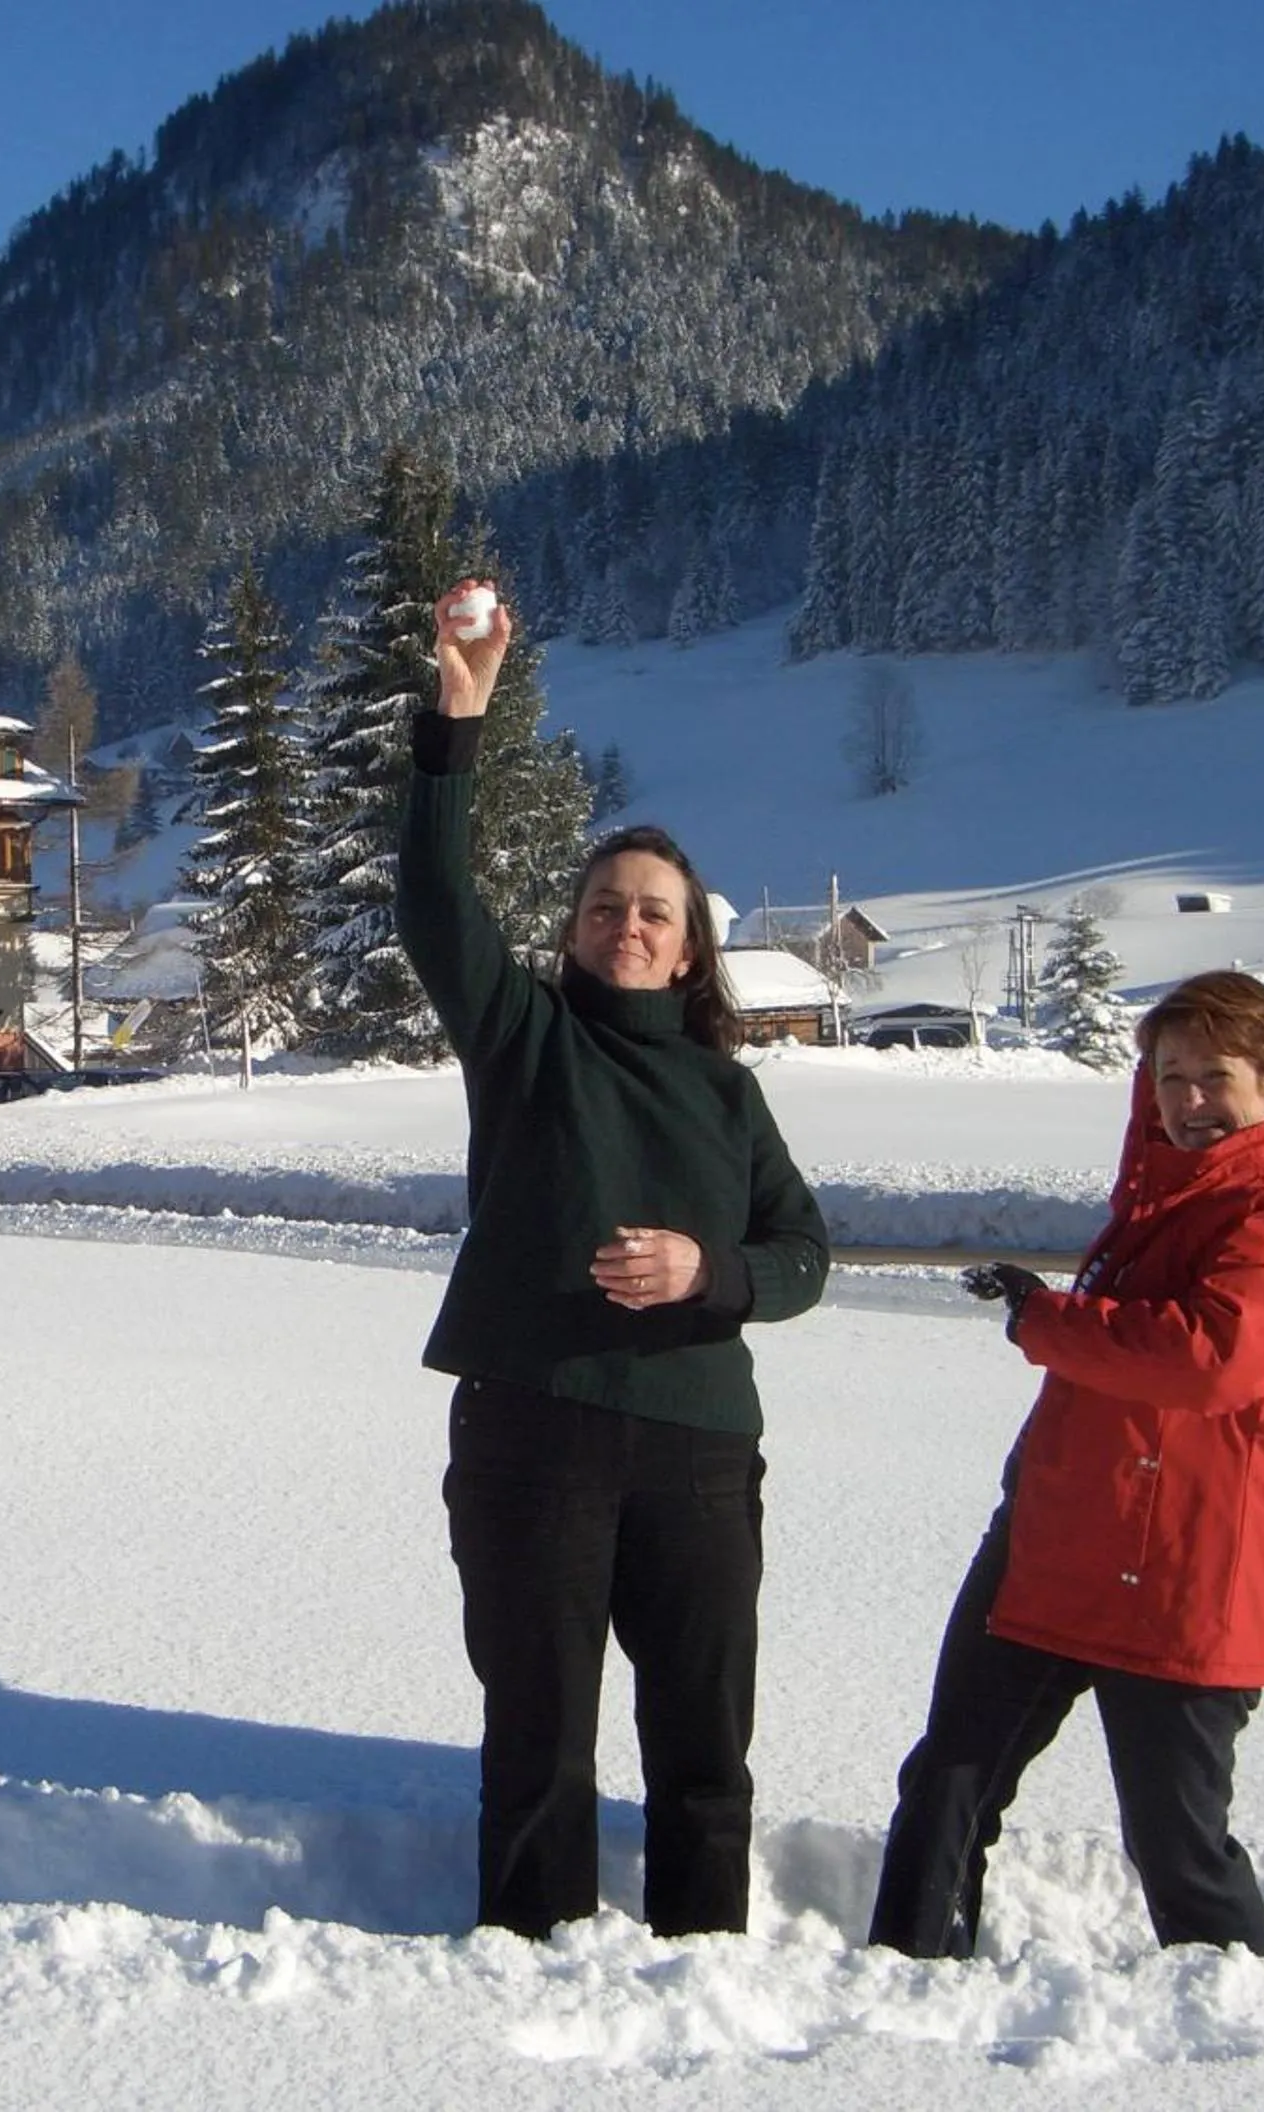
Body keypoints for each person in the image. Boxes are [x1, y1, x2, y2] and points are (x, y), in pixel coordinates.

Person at [397, 579, 831, 1940]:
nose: (626, 922)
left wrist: (715, 1272)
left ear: (694, 944)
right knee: (539, 1738)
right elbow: (432, 906)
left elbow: (806, 1252)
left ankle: (705, 1965)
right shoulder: (525, 1041)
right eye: (602, 903)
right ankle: (530, 1981)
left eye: (655, 909)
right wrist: (455, 727)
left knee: (704, 1746)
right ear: (573, 927)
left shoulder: (725, 1095)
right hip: (535, 1428)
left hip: (699, 1445)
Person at [867, 970, 1264, 1961]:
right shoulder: (1162, 1197)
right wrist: (1053, 1314)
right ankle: (905, 1975)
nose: (1188, 1101)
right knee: (951, 1779)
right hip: (1062, 1541)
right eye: (1169, 1078)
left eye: (1213, 1077)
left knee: (1174, 1843)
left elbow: (1212, 1357)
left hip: (1182, 1570)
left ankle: (1235, 2022)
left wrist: (1045, 1319)